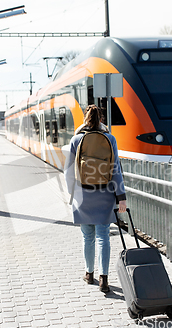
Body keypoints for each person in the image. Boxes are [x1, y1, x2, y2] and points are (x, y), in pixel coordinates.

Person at [64, 104, 127, 293]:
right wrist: (121, 197)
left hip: (83, 196)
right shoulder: (110, 138)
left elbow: (68, 172)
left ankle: (89, 274)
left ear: (85, 118)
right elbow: (116, 170)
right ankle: (104, 279)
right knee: (103, 237)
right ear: (101, 120)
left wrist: (72, 193)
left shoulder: (76, 139)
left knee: (87, 237)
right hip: (105, 194)